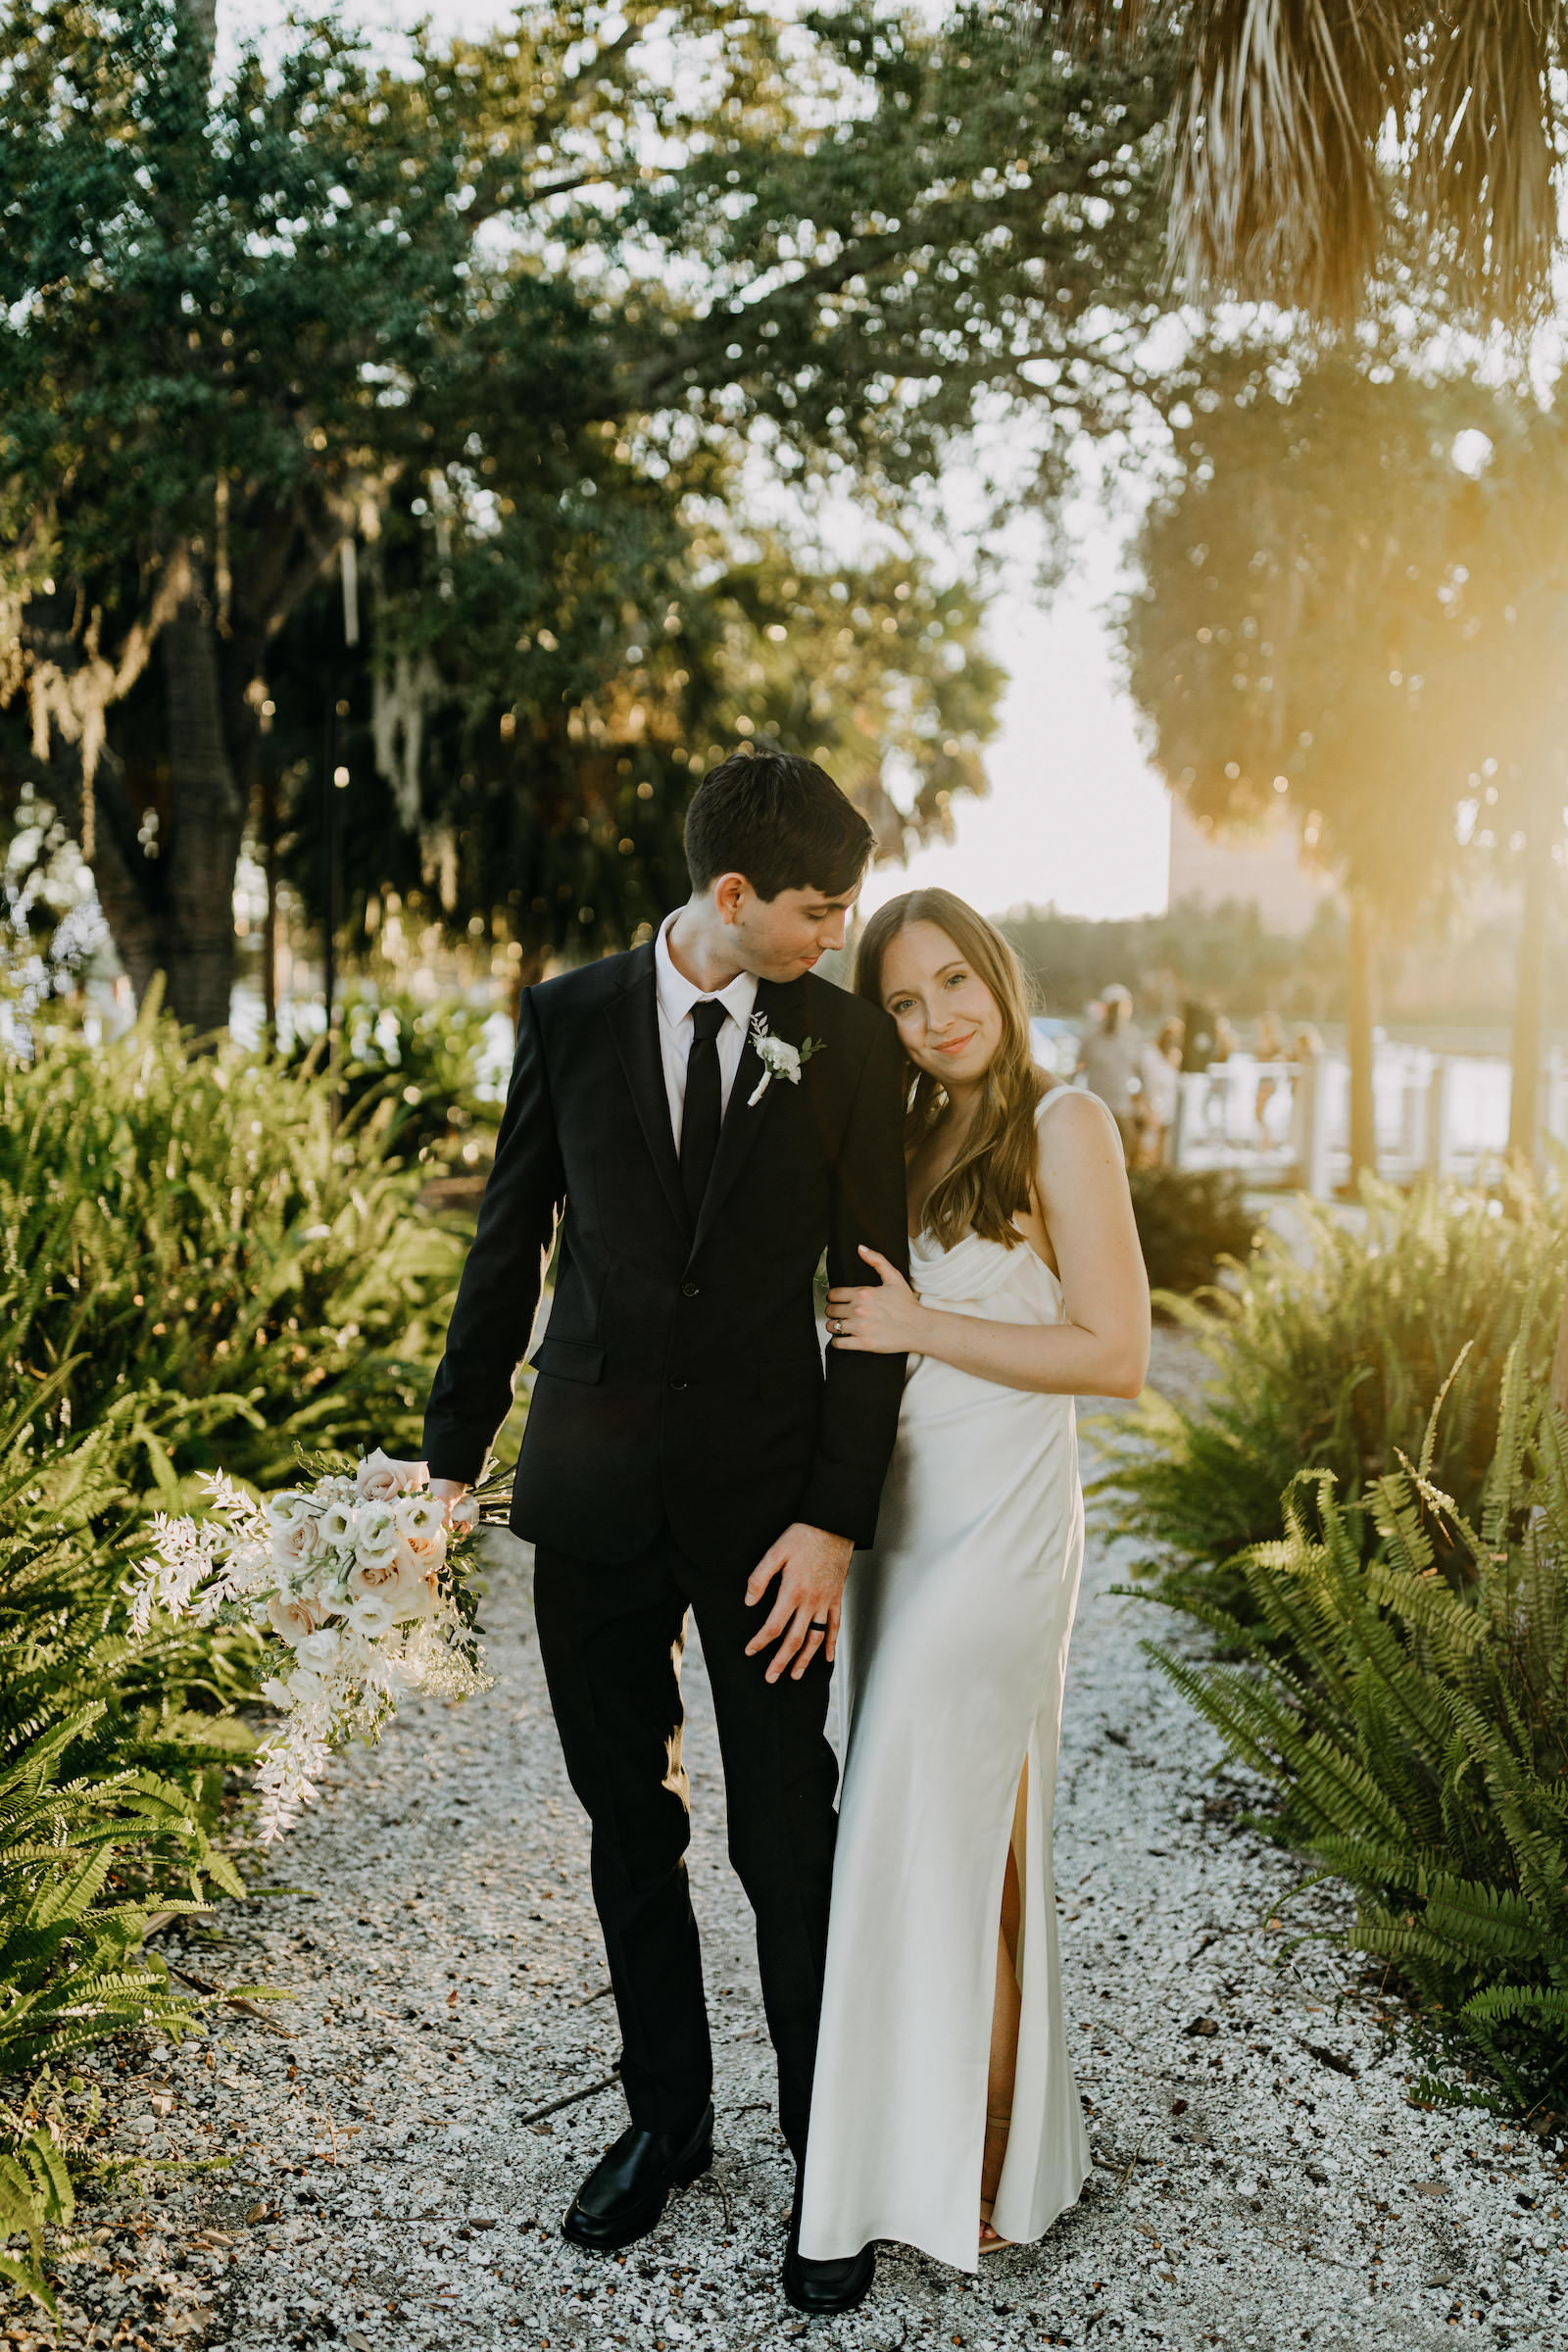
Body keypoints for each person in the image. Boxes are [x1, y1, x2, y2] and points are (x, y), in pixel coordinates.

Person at [421, 750, 909, 2317]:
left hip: (774, 1523)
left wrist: (837, 1519)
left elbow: (874, 1306)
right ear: (730, 898)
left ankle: (825, 2155)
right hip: (593, 1505)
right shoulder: (564, 1017)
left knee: (786, 1835)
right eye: (821, 909)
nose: (841, 933)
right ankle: (666, 2123)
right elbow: (506, 1250)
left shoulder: (843, 1043)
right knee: (630, 1828)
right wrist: (447, 1460)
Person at [798, 889, 1150, 2273]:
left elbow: (1114, 1355)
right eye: (901, 1000)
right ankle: (958, 2142)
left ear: (997, 978)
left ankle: (979, 2159)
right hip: (901, 1526)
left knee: (931, 1829)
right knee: (963, 1848)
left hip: (1001, 1536)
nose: (936, 1016)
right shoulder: (909, 1130)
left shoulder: (1066, 1123)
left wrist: (924, 1322)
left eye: (954, 982)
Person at [1076, 983, 1140, 1164]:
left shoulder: (1132, 1037)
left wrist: (1146, 1101)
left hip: (1123, 1108)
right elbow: (1079, 1067)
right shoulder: (1091, 1037)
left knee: (1127, 1152)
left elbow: (1140, 1070)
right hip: (1097, 1108)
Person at [1137, 1017, 1183, 1165]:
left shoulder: (1176, 1057)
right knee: (1146, 1150)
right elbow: (1146, 1083)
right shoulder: (1150, 1055)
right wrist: (1147, 1107)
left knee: (1165, 1152)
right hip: (1152, 1108)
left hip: (1169, 1111)